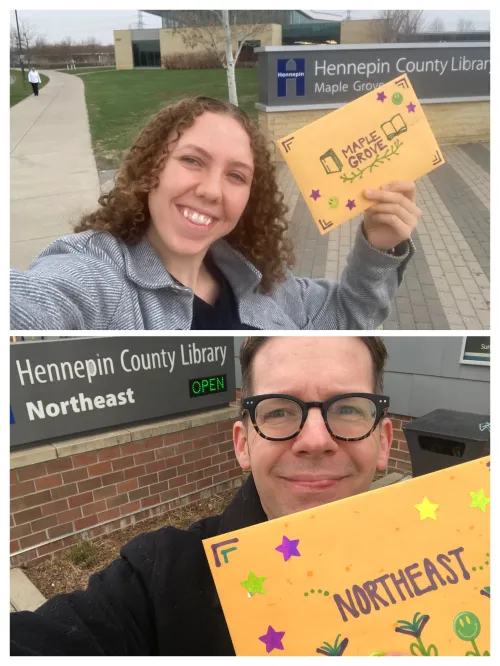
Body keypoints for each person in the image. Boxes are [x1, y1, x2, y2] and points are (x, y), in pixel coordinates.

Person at [10, 335, 396, 656]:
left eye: (348, 407)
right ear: (243, 445)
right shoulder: (159, 581)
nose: (315, 440)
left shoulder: (453, 557)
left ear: (384, 442)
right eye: (278, 412)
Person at [10, 96, 420, 330]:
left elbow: (345, 316)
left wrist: (378, 246)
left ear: (250, 198)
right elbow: (36, 304)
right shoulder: (97, 272)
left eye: (236, 176)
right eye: (192, 160)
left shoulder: (261, 283)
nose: (210, 190)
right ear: (152, 167)